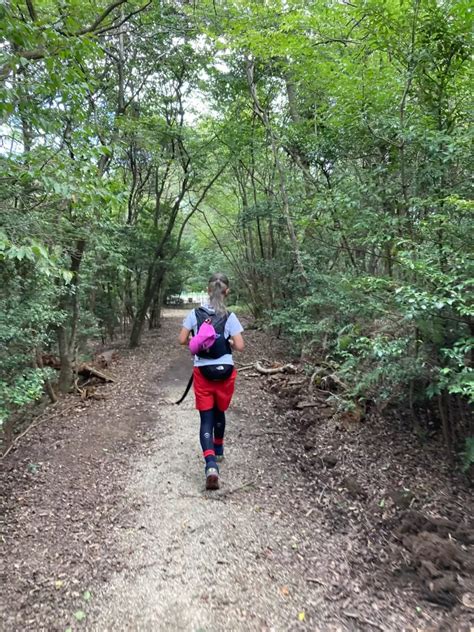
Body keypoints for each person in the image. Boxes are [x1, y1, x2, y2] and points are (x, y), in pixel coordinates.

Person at [178, 273, 244, 490]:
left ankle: (211, 465)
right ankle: (219, 449)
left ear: (208, 290)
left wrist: (196, 341)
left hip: (202, 370)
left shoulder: (195, 313)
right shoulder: (230, 316)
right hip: (225, 370)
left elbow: (181, 340)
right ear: (227, 292)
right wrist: (228, 343)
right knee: (220, 412)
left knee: (206, 418)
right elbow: (240, 345)